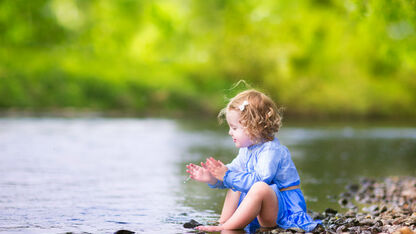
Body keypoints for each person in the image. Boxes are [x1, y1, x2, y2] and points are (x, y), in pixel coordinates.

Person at [186, 89, 321, 232]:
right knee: (235, 180)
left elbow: (260, 180)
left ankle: (227, 227)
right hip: (264, 209)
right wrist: (212, 178)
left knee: (259, 186)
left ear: (254, 127)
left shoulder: (271, 151)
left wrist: (227, 175)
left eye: (234, 127)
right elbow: (232, 176)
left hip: (285, 210)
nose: (230, 132)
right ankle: (224, 222)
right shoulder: (246, 149)